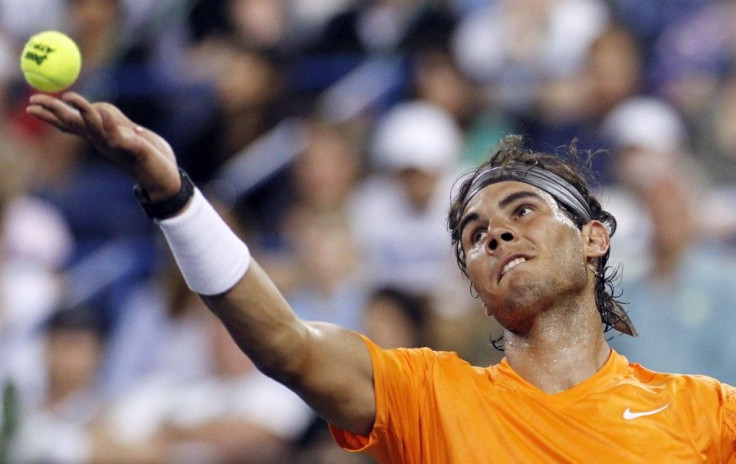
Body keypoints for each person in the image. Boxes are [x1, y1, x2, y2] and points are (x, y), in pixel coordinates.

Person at [26, 92, 736, 462]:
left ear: (593, 239)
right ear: (479, 288)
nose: (495, 233)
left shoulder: (704, 412)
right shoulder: (430, 394)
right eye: (475, 236)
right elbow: (288, 344)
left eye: (522, 209)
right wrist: (175, 198)